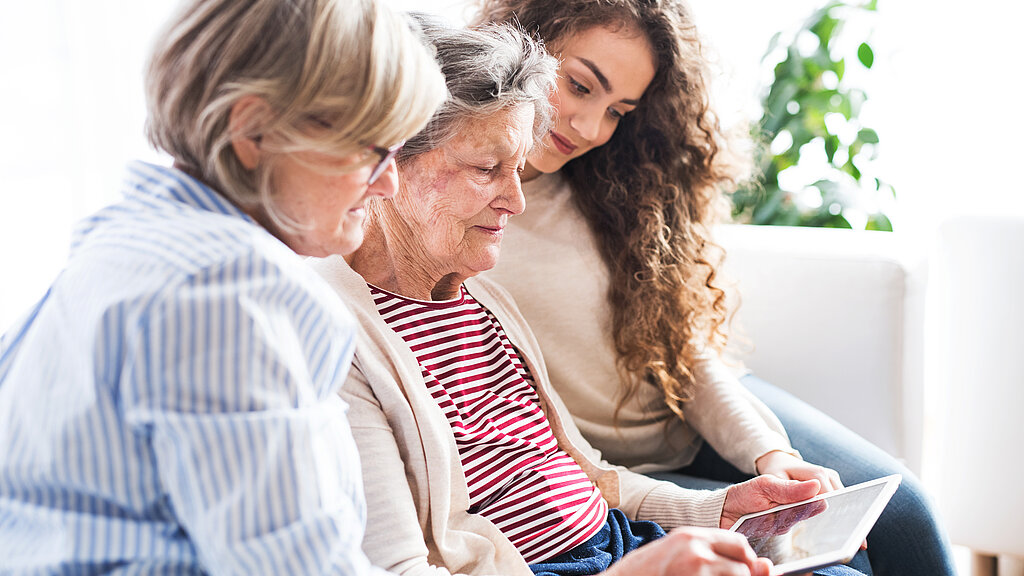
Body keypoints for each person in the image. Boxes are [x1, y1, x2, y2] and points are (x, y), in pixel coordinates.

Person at [310, 15, 857, 576]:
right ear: (387, 161)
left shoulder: (486, 303)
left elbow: (591, 479)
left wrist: (716, 510)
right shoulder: (338, 338)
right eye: (486, 169)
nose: (516, 202)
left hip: (621, 537)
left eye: (518, 169)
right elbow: (400, 567)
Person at [474, 0, 956, 575]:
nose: (590, 128)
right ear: (518, 41)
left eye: (618, 111)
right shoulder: (450, 213)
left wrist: (769, 452)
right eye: (579, 86)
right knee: (831, 567)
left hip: (696, 407)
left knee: (905, 511)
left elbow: (682, 351)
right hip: (620, 470)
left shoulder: (608, 189)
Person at [0, 0, 446, 573]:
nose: (388, 184)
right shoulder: (228, 292)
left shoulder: (129, 237)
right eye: (373, 149)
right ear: (253, 129)